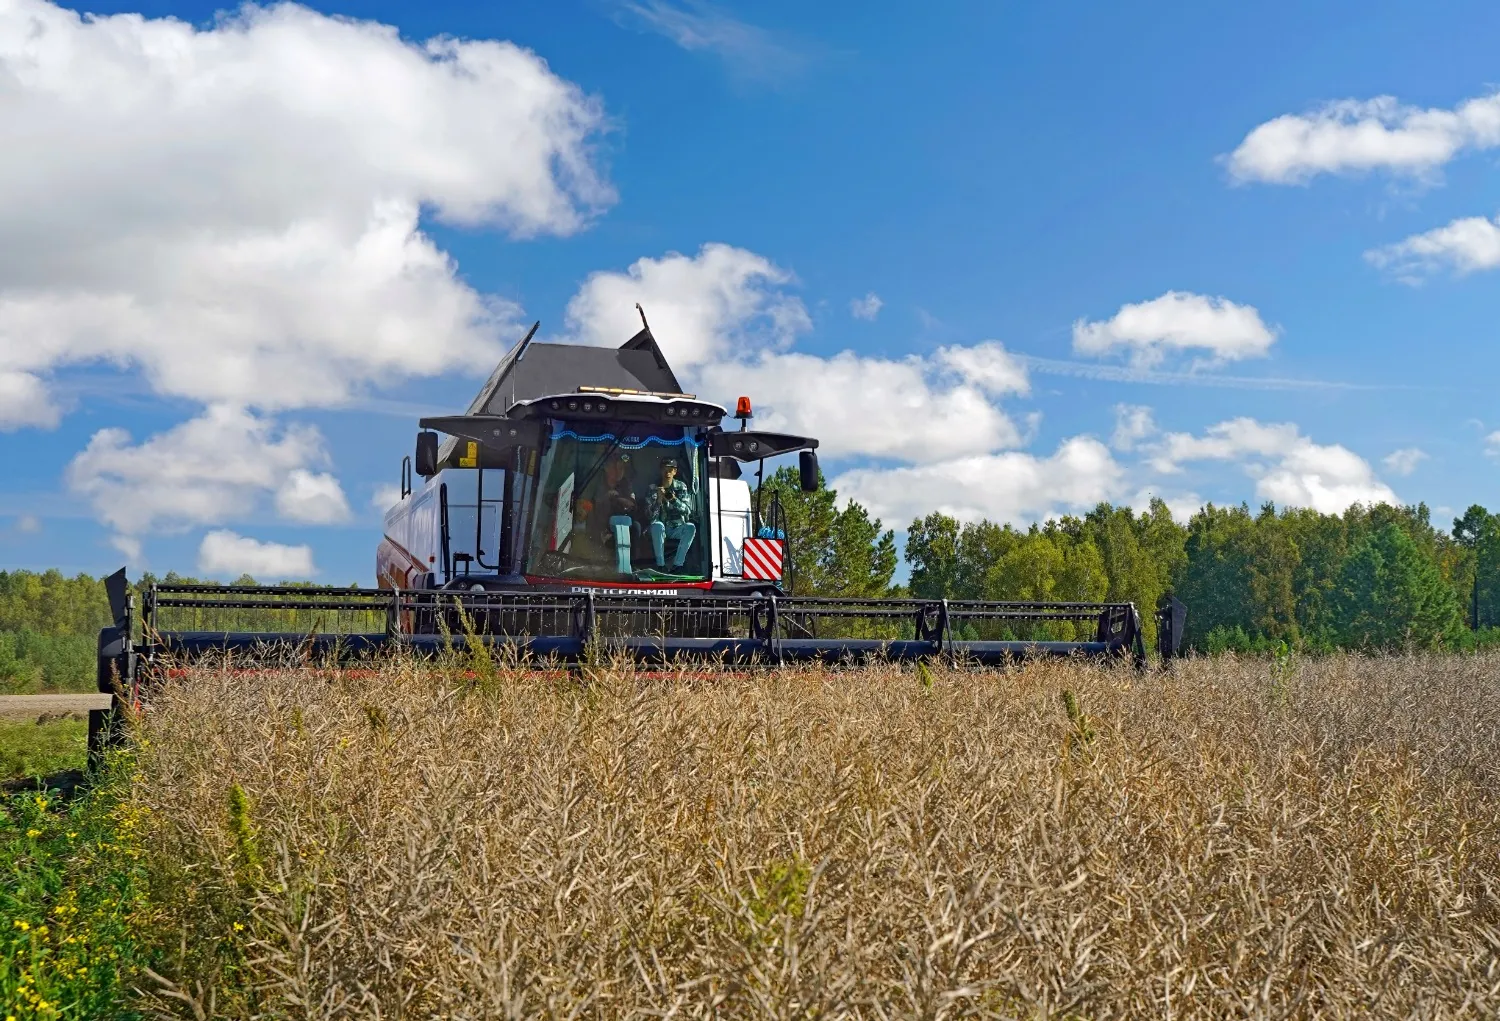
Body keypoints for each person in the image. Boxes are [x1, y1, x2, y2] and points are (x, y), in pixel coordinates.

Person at [646, 459, 696, 569]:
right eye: (665, 469)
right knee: (657, 525)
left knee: (690, 527)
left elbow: (687, 510)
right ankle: (661, 565)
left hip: (676, 528)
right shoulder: (653, 488)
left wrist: (672, 499)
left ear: (675, 471)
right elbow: (650, 517)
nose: (667, 472)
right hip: (659, 529)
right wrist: (658, 501)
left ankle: (678, 565)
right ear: (660, 470)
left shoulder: (681, 486)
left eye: (670, 469)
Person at [598, 452, 638, 575]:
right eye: (614, 467)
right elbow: (589, 505)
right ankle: (598, 565)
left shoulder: (626, 484)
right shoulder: (597, 483)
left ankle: (633, 566)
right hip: (600, 523)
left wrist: (618, 498)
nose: (618, 471)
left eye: (621, 468)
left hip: (622, 524)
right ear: (606, 468)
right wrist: (606, 497)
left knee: (636, 527)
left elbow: (632, 505)